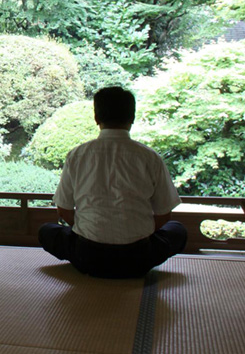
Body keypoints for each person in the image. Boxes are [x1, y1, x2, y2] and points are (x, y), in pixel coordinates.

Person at [38, 86, 187, 278]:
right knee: (177, 230)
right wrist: (138, 234)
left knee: (47, 231)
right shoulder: (149, 157)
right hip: (138, 259)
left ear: (96, 118)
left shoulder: (77, 155)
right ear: (132, 118)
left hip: (87, 257)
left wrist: (90, 229)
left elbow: (64, 210)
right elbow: (164, 214)